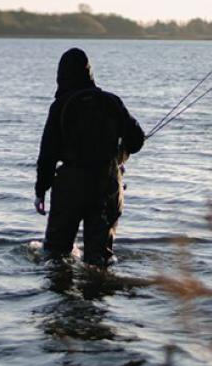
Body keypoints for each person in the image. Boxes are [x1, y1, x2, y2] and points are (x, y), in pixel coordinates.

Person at [34, 48, 144, 268]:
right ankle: (98, 292)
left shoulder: (60, 106)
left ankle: (59, 297)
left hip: (70, 187)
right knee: (99, 258)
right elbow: (137, 140)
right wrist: (121, 152)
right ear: (89, 73)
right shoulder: (112, 102)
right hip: (107, 185)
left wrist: (40, 191)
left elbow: (47, 155)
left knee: (55, 255)